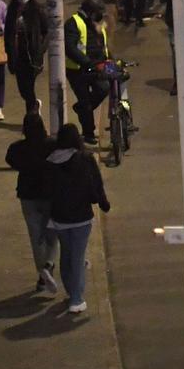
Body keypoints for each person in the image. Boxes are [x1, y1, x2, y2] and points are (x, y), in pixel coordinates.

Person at [44, 124, 111, 315]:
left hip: (59, 217)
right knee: (78, 256)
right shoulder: (85, 159)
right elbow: (96, 183)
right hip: (81, 216)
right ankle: (76, 297)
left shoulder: (50, 162)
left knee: (67, 254)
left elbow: (47, 190)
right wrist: (103, 203)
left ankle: (70, 290)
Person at [5, 111, 59, 295]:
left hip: (28, 195)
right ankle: (49, 265)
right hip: (50, 195)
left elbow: (10, 160)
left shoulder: (17, 149)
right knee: (52, 233)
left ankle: (42, 273)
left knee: (36, 236)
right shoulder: (52, 146)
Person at [66, 0, 110, 144]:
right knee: (85, 102)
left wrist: (110, 62)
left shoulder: (95, 24)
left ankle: (81, 109)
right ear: (90, 11)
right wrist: (86, 62)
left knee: (104, 88)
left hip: (97, 66)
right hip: (78, 70)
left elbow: (102, 47)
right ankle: (88, 132)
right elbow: (70, 48)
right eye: (97, 12)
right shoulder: (73, 24)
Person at [4, 0, 49, 114]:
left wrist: (41, 48)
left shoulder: (37, 10)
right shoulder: (12, 12)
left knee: (29, 86)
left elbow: (46, 31)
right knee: (23, 89)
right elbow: (8, 34)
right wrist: (9, 53)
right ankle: (34, 104)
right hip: (18, 55)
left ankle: (31, 114)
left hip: (32, 55)